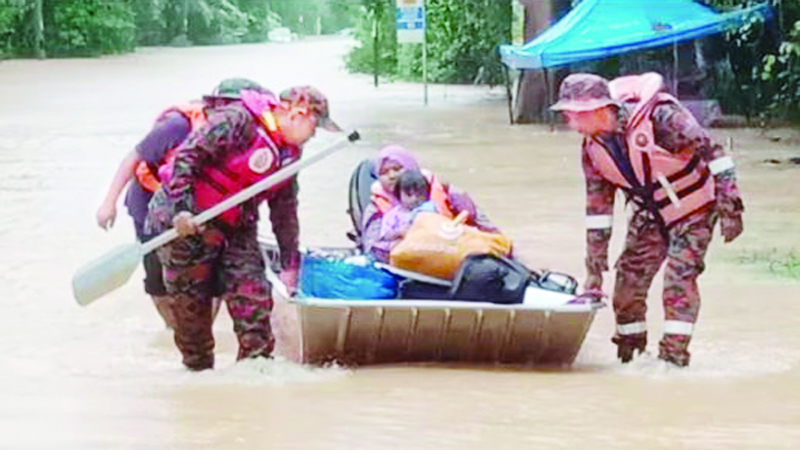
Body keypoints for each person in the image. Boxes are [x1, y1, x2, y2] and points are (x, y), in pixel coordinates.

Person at [550, 72, 745, 367]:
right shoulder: (592, 151)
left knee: (677, 282)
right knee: (626, 286)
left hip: (694, 210)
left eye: (571, 115)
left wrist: (731, 206)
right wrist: (594, 270)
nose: (569, 123)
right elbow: (598, 213)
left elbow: (716, 153)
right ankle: (632, 354)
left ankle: (672, 361)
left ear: (596, 109)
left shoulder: (663, 119)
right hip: (650, 214)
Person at [145, 85, 341, 371]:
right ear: (298, 113)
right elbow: (187, 158)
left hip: (236, 226)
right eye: (314, 126)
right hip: (186, 222)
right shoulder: (238, 120)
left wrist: (290, 263)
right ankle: (199, 382)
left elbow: (284, 211)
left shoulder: (290, 154)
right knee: (193, 323)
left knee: (255, 303)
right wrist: (182, 210)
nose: (313, 135)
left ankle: (254, 379)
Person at [95, 78, 266, 328]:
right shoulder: (176, 126)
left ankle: (200, 331)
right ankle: (173, 329)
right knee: (158, 278)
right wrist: (108, 203)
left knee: (212, 276)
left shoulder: (246, 135)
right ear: (216, 107)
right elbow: (133, 157)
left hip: (200, 204)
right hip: (151, 203)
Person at [361, 145, 498, 262]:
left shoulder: (449, 193)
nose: (392, 176)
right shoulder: (375, 207)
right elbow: (371, 247)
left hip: (451, 252)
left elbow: (486, 227)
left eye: (397, 169)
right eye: (384, 172)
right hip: (404, 259)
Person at [379, 169, 439, 249]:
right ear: (398, 194)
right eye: (409, 195)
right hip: (400, 252)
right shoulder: (392, 215)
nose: (414, 199)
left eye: (419, 195)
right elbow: (385, 236)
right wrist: (399, 232)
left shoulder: (429, 211)